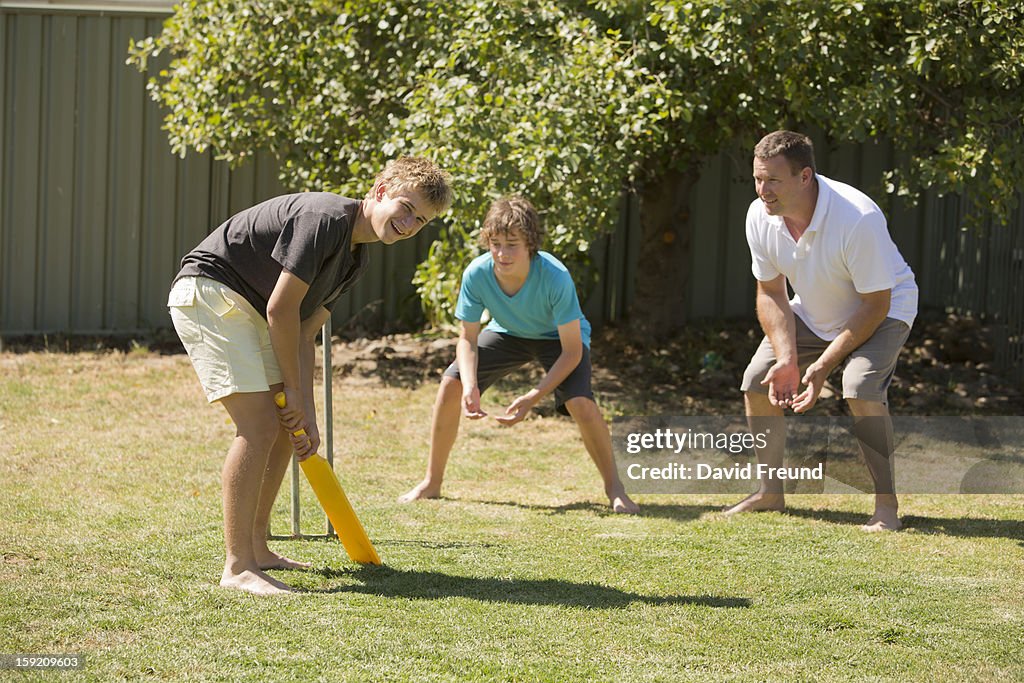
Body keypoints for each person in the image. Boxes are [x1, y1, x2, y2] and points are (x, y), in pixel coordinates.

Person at [168, 157, 453, 594]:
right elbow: (280, 310)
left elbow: (303, 334)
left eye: (422, 220)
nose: (411, 223)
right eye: (406, 207)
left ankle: (259, 549)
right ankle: (238, 567)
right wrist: (291, 394)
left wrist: (307, 414)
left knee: (286, 427)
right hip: (210, 291)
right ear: (379, 190)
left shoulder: (355, 260)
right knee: (260, 425)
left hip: (248, 308)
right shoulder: (324, 220)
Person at [725, 131, 918, 531]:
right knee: (756, 382)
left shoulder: (857, 217)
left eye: (773, 180)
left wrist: (823, 366)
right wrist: (788, 358)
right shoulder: (759, 216)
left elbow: (875, 304)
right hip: (815, 310)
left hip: (884, 307)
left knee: (860, 385)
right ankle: (770, 492)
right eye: (759, 179)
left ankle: (886, 507)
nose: (763, 191)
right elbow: (771, 292)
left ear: (805, 176)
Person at [399, 196, 639, 514]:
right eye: (495, 243)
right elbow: (467, 339)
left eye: (512, 244)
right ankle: (432, 482)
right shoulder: (477, 273)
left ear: (530, 245)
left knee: (580, 402)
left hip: (560, 340)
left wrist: (532, 396)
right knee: (451, 383)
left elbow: (571, 352)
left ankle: (615, 489)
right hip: (508, 332)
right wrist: (470, 384)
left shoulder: (555, 276)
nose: (502, 253)